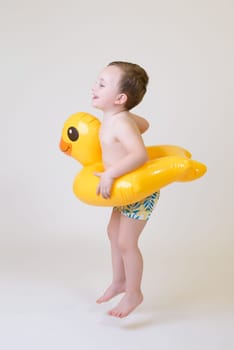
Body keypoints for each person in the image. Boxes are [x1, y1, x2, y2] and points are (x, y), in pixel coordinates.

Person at [91, 61, 160, 318]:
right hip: (125, 190)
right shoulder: (118, 118)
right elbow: (145, 125)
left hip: (139, 191)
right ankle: (119, 282)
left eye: (101, 84)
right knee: (113, 232)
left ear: (120, 98)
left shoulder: (119, 123)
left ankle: (134, 293)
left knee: (126, 241)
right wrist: (128, 116)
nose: (93, 87)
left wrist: (109, 173)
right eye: (97, 81)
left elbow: (140, 154)